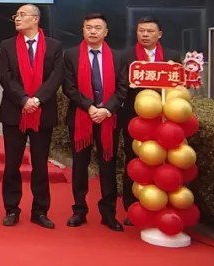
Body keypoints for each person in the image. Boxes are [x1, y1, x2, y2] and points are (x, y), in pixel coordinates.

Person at [0, 4, 64, 229]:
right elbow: (5, 77)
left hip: (42, 112)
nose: (17, 18)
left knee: (40, 164)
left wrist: (38, 100)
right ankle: (11, 209)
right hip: (14, 112)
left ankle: (40, 211)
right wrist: (24, 100)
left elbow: (56, 77)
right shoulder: (7, 45)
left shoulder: (54, 46)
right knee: (12, 164)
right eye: (16, 15)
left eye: (22, 15)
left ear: (35, 19)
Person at [62, 13, 129, 231]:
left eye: (97, 28)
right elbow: (69, 87)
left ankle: (108, 213)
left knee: (108, 165)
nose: (92, 31)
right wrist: (90, 107)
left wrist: (106, 110)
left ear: (105, 32)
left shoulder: (118, 57)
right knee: (79, 166)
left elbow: (122, 88)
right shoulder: (71, 55)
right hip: (81, 116)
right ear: (83, 30)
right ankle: (79, 210)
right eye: (88, 27)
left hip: (108, 119)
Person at [120, 16, 179, 224]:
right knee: (134, 161)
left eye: (150, 31)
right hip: (135, 120)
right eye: (141, 31)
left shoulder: (172, 57)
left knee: (164, 162)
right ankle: (131, 206)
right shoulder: (126, 56)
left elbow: (179, 88)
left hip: (165, 121)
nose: (145, 35)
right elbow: (119, 86)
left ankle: (163, 205)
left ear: (159, 34)